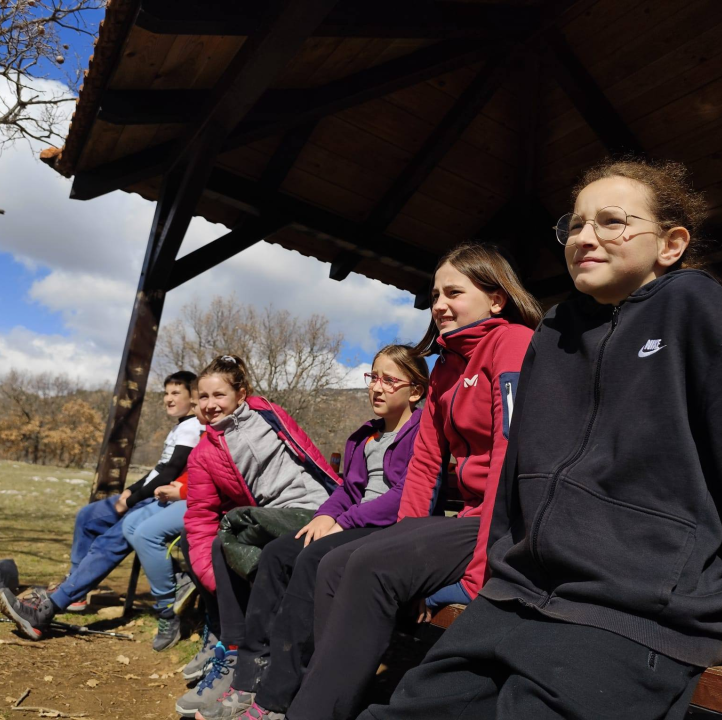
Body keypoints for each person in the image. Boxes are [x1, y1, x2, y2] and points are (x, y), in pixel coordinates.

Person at [357, 159, 722, 720]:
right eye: (576, 224)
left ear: (670, 243)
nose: (585, 237)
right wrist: (494, 573)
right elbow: (515, 477)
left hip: (631, 624)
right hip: (510, 604)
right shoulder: (553, 335)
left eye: (613, 222)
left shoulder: (700, 313)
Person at [284, 243, 542, 720]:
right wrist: (406, 546)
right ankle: (324, 695)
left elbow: (513, 456)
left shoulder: (513, 343)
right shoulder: (444, 366)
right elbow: (424, 466)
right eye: (435, 293)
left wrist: (480, 572)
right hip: (466, 519)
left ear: (497, 298)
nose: (439, 303)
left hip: (509, 524)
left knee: (369, 567)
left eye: (454, 292)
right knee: (337, 563)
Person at [205, 344, 430, 720]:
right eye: (373, 377)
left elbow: (405, 495)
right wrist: (324, 517)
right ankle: (249, 674)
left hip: (388, 531)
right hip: (353, 523)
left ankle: (276, 697)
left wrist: (344, 521)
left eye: (389, 380)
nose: (377, 387)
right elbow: (345, 490)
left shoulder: (423, 433)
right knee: (278, 553)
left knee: (312, 558)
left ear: (416, 390)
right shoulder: (364, 437)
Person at [175, 355, 341, 719]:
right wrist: (215, 580)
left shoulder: (268, 414)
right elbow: (199, 517)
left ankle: (240, 651)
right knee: (217, 536)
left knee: (231, 527)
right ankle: (233, 653)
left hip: (318, 508)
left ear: (241, 394)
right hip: (275, 517)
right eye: (202, 397)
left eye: (219, 394)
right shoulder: (204, 454)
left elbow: (309, 455)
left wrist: (342, 502)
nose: (209, 404)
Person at [0, 371, 204, 640]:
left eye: (176, 393)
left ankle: (50, 606)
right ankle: (74, 589)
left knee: (110, 541)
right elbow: (159, 468)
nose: (168, 399)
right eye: (166, 393)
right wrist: (131, 490)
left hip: (163, 500)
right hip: (152, 496)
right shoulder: (180, 426)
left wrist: (132, 500)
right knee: (89, 516)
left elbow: (171, 472)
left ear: (192, 396)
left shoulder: (194, 428)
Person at [121, 396, 208, 652]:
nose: (197, 408)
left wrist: (181, 492)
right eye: (198, 401)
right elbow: (193, 470)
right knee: (131, 525)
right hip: (185, 493)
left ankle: (167, 611)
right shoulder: (205, 433)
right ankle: (177, 580)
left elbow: (218, 480)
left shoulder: (224, 432)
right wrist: (177, 483)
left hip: (200, 502)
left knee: (147, 534)